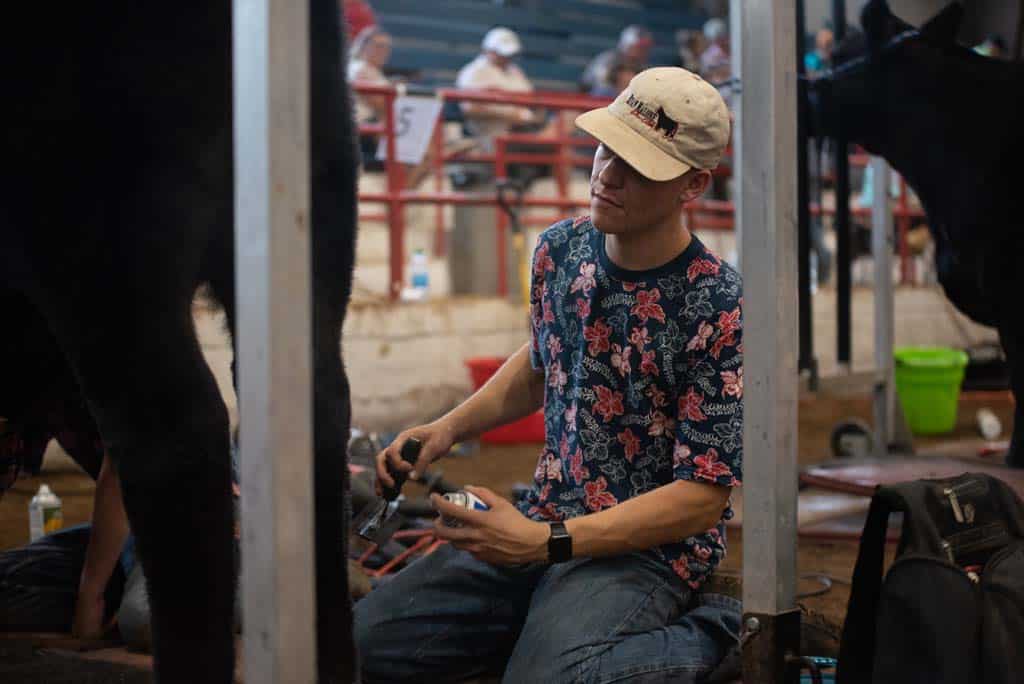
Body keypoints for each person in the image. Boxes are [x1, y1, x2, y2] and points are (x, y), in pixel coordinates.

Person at [356, 67, 743, 683]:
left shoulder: (720, 306)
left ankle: (722, 633)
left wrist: (545, 543)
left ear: (693, 184)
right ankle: (549, 640)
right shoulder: (561, 251)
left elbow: (701, 498)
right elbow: (544, 360)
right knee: (362, 645)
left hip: (647, 553)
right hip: (542, 517)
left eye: (639, 167)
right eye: (606, 149)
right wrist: (447, 428)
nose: (607, 175)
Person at [455, 27, 539, 147]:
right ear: (487, 50)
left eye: (510, 54)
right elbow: (470, 109)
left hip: (521, 132)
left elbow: (530, 98)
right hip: (487, 136)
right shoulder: (474, 72)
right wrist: (509, 115)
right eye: (502, 53)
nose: (506, 57)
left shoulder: (515, 71)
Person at [581, 25, 653, 94]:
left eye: (645, 48)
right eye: (639, 48)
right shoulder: (607, 60)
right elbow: (588, 85)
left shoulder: (643, 67)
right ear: (627, 45)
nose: (643, 52)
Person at [699, 17, 731, 84]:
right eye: (718, 39)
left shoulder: (735, 42)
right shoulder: (708, 58)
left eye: (724, 37)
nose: (724, 41)